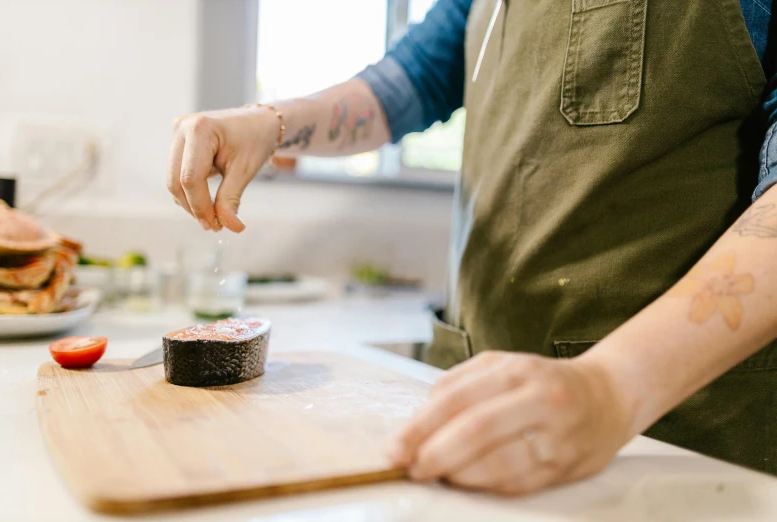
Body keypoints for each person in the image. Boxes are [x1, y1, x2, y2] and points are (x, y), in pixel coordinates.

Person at [168, 0, 777, 495]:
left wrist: (613, 387)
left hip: (673, 444)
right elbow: (404, 83)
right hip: (471, 422)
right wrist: (270, 121)